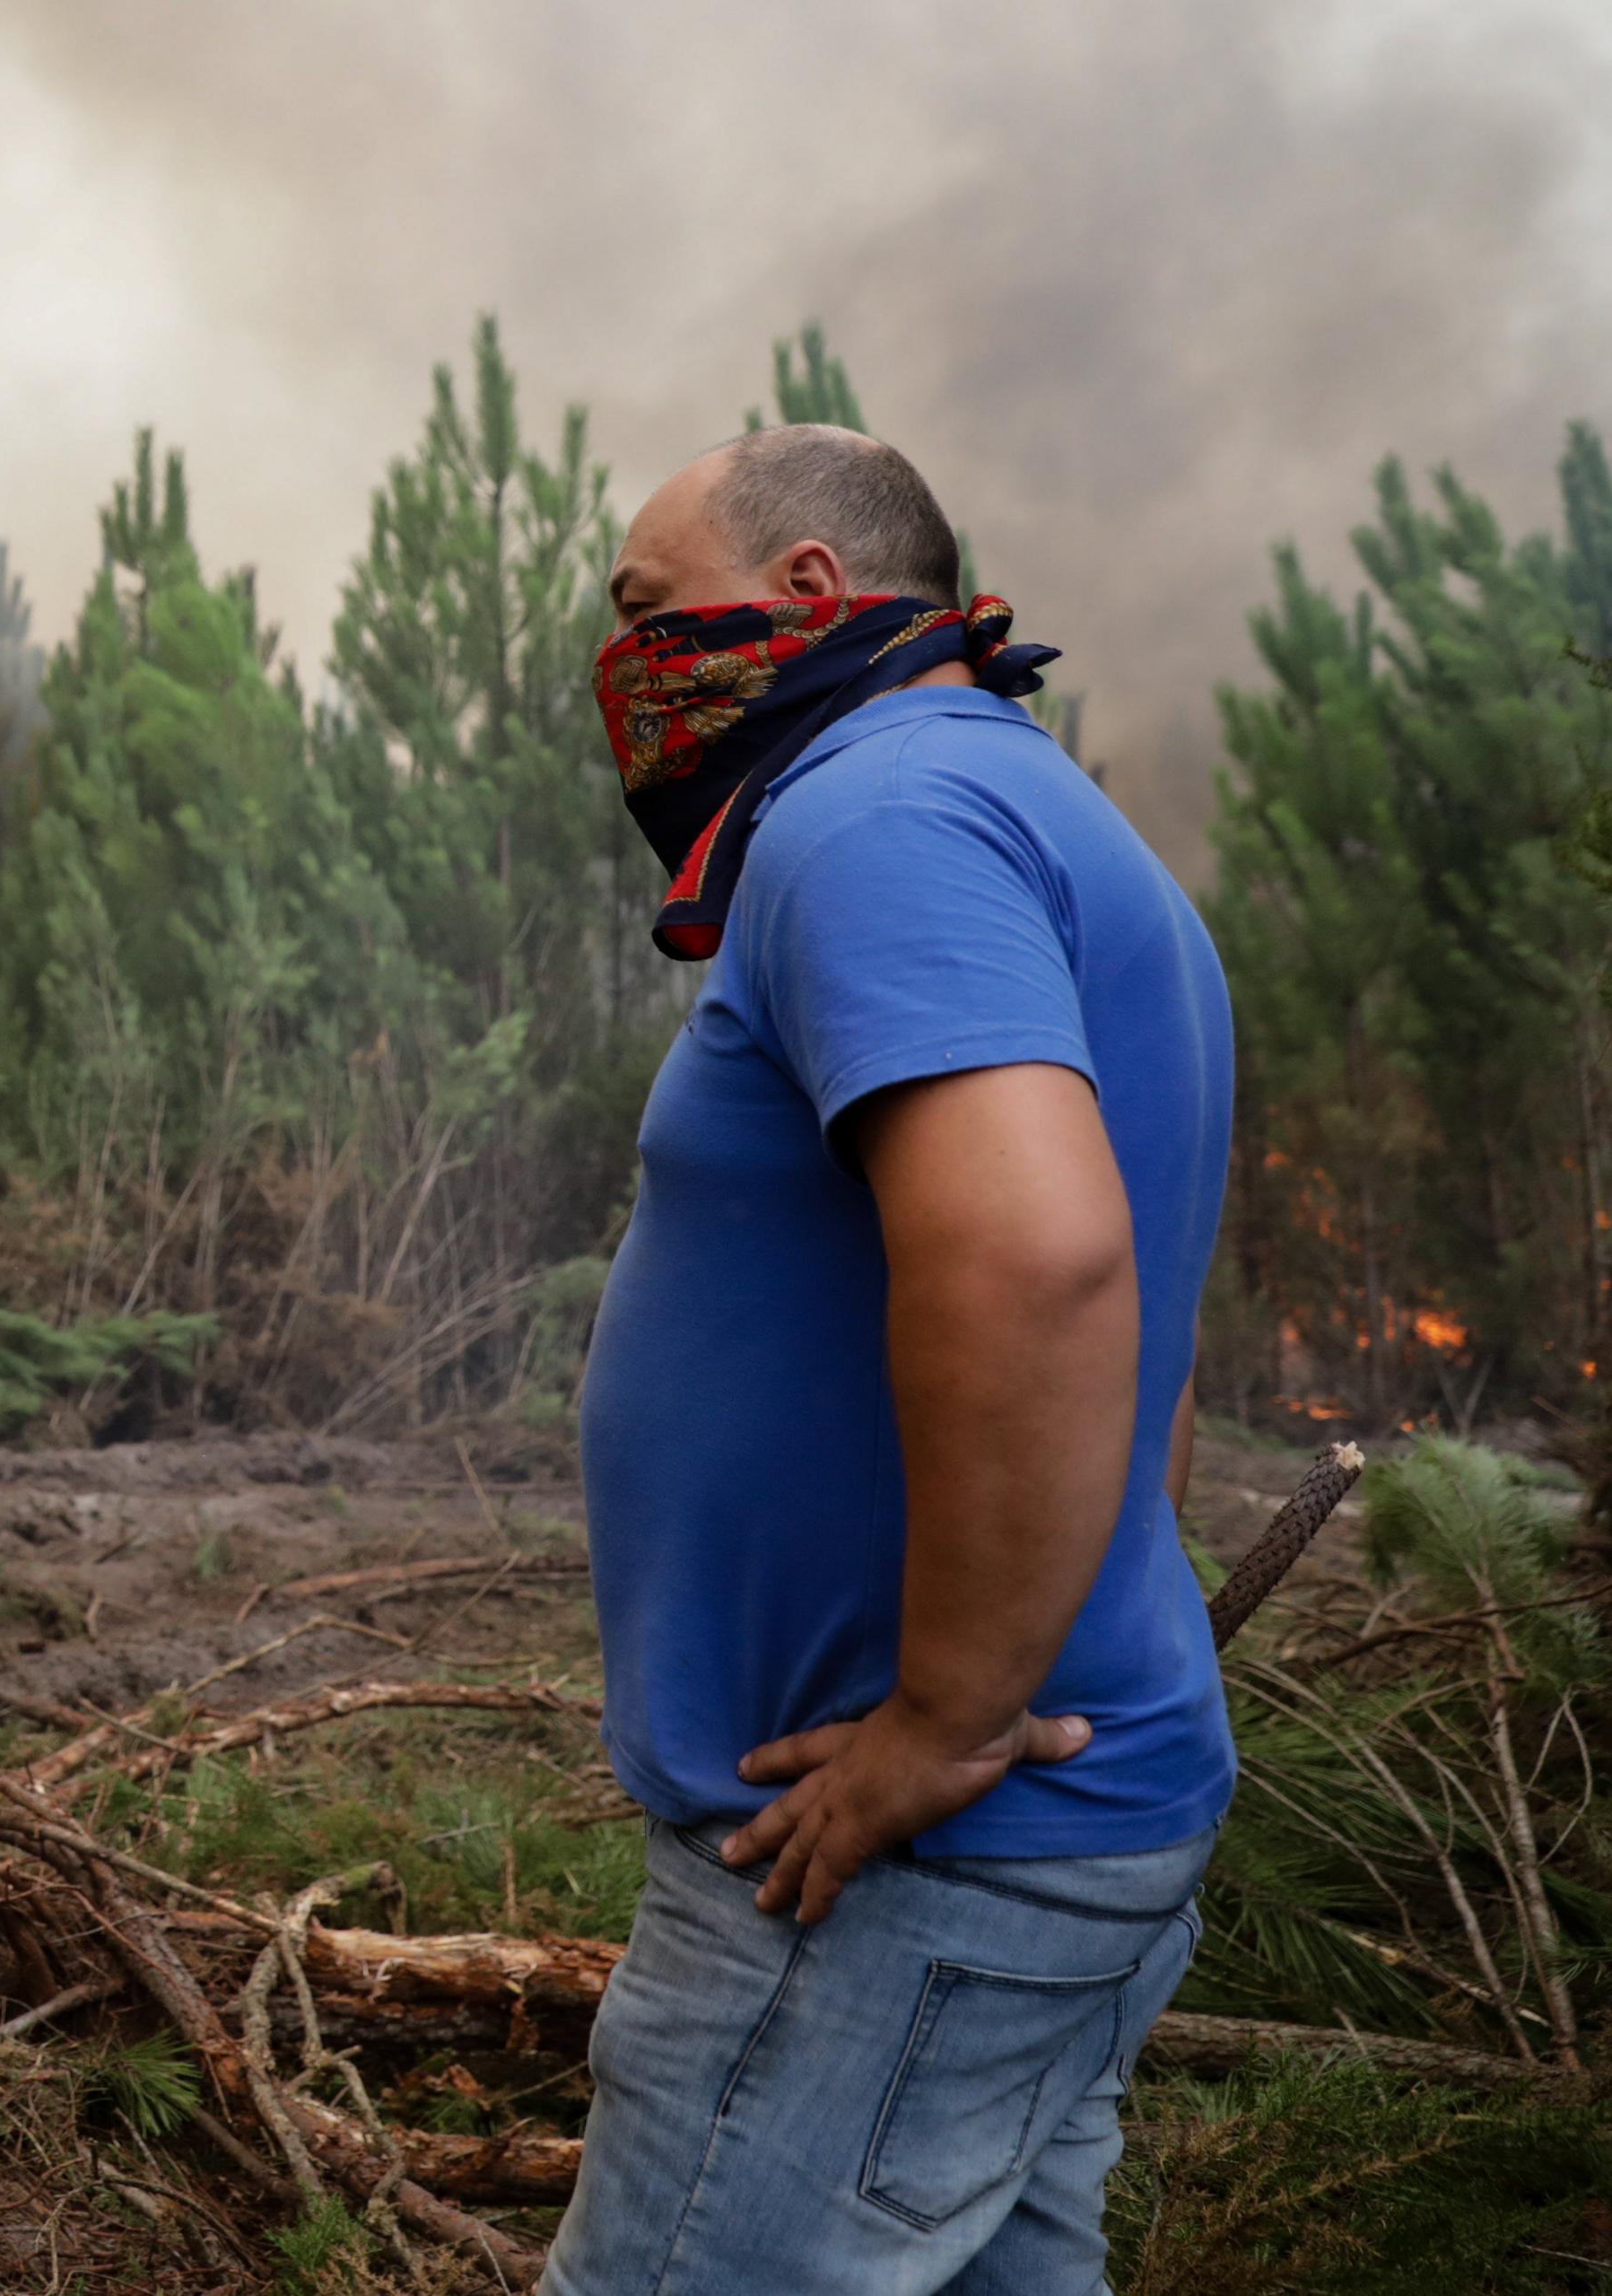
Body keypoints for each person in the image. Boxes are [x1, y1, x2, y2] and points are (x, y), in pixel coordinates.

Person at [545, 425, 1233, 2294]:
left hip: (881, 1883)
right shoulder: (1039, 820)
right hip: (1031, 1842)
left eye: (643, 613)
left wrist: (947, 1715)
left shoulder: (876, 817)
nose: (618, 666)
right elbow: (1148, 1339)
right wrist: (1062, 1625)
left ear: (810, 600)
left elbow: (1043, 1257)